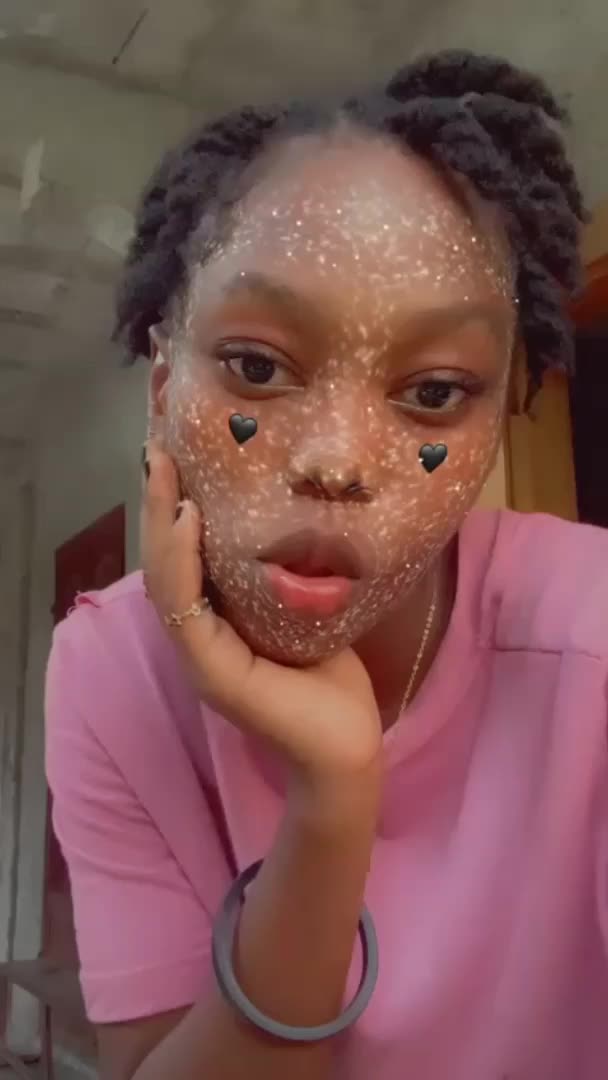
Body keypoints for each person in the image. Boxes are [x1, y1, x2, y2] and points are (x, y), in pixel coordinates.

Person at [45, 48, 608, 1080]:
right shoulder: (110, 669)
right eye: (257, 367)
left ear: (500, 416)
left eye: (433, 392)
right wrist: (331, 799)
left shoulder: (592, 632)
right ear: (163, 385)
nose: (336, 462)